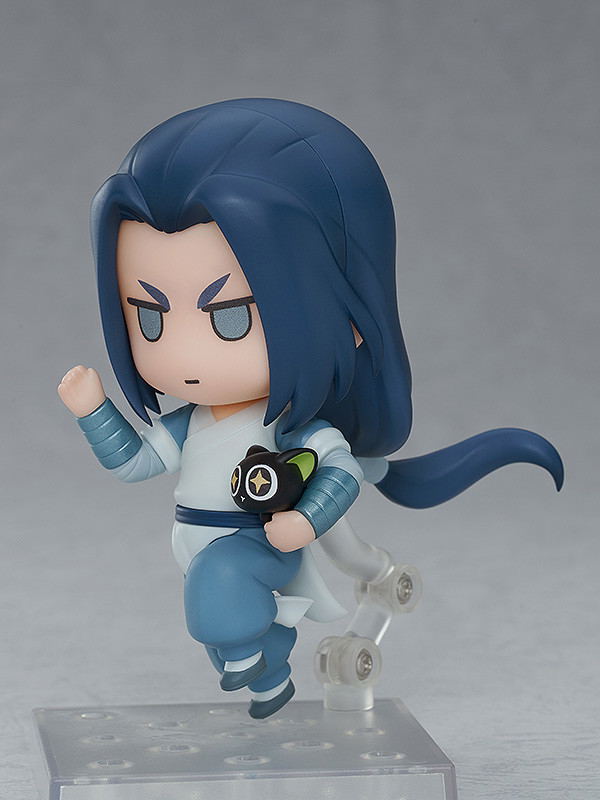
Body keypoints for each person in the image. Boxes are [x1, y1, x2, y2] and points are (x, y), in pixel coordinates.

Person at [58, 99, 563, 718]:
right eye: (150, 318)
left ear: (346, 317)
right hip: (196, 547)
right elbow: (135, 463)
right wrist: (94, 411)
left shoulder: (288, 429)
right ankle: (271, 671)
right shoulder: (190, 423)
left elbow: (341, 472)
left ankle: (255, 653)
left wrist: (304, 521)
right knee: (224, 631)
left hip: (257, 545)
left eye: (229, 318)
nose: (184, 353)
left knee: (220, 597)